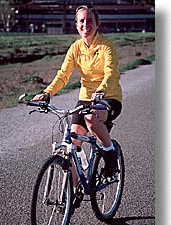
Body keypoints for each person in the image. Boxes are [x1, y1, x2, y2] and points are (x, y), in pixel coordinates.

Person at [33, 5, 122, 187]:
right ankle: (72, 194)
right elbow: (63, 75)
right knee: (73, 142)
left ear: (97, 24)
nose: (85, 24)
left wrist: (102, 90)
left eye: (90, 20)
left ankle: (110, 150)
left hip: (108, 96)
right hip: (85, 98)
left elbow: (111, 73)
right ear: (76, 25)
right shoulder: (75, 48)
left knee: (90, 118)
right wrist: (47, 93)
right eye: (81, 21)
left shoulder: (106, 46)